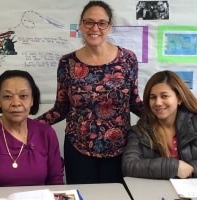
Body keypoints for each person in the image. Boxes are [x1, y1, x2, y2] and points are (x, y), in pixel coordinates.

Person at [36, 1, 143, 184]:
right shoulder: (67, 63)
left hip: (119, 148)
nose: (95, 28)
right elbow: (61, 108)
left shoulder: (127, 59)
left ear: (109, 26)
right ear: (80, 24)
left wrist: (168, 118)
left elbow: (133, 101)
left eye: (102, 23)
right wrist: (28, 125)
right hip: (78, 150)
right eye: (89, 22)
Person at [122, 70, 197, 179]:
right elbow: (129, 166)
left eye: (164, 96)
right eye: (153, 97)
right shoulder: (139, 130)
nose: (158, 102)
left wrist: (193, 168)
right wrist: (174, 167)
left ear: (179, 99)